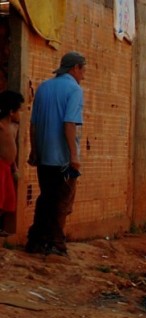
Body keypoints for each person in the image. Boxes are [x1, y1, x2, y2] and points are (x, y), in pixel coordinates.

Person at [25, 51, 86, 256]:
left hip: (44, 155)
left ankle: (36, 241)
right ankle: (55, 244)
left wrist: (34, 149)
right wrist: (74, 156)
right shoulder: (74, 90)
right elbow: (69, 123)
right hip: (63, 158)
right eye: (82, 69)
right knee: (61, 200)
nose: (83, 75)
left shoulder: (43, 87)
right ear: (75, 68)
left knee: (47, 197)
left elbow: (33, 124)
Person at [0, 91, 24, 237]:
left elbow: (13, 149)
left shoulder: (14, 127)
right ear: (11, 112)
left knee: (7, 199)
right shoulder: (1, 127)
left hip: (8, 168)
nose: (20, 113)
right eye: (19, 110)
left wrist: (14, 168)